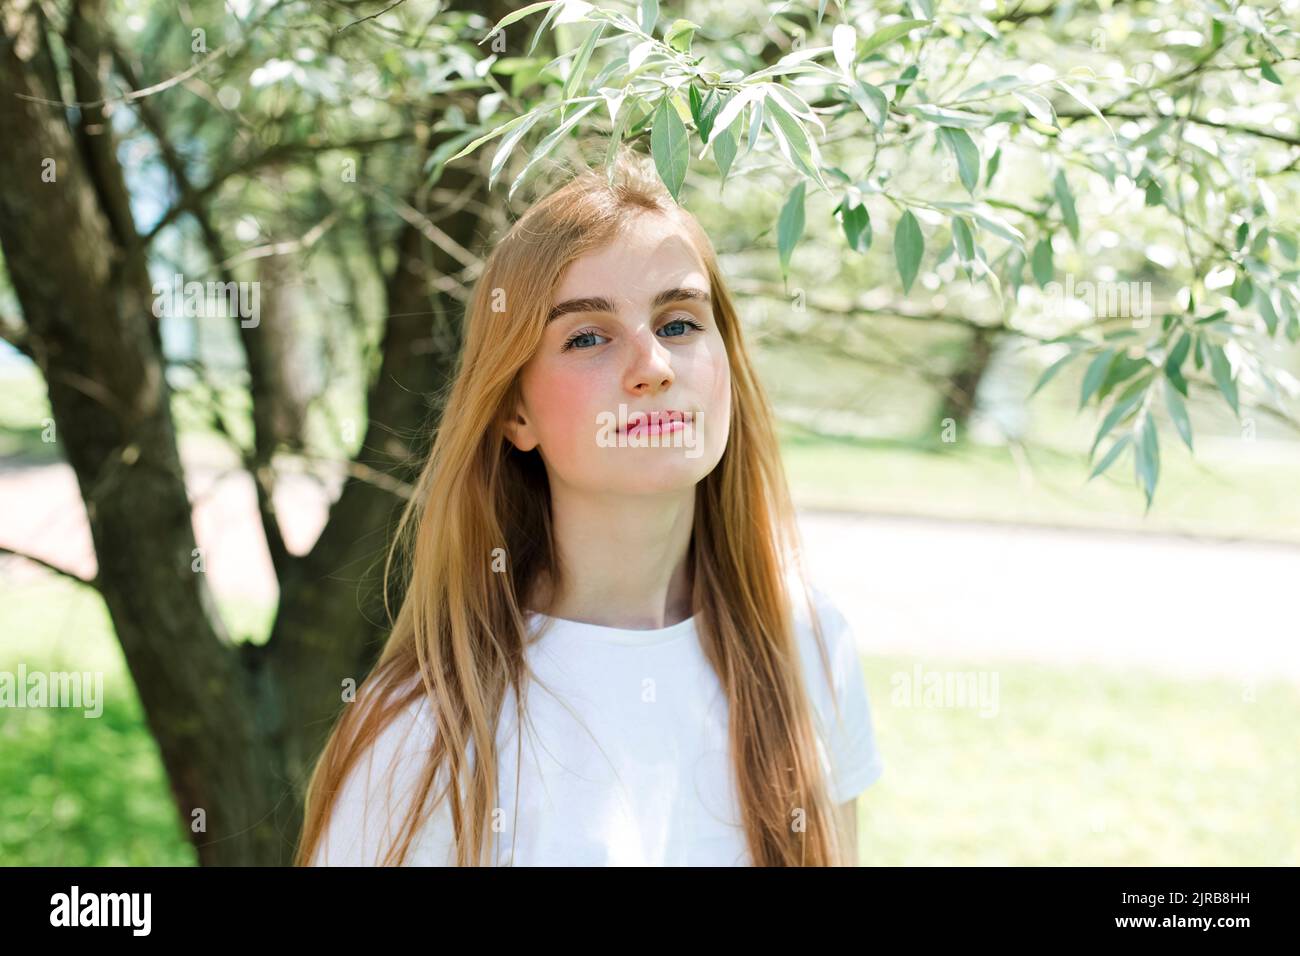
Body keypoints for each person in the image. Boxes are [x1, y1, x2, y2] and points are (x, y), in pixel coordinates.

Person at [296, 148, 883, 867]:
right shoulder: (423, 732)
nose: (653, 368)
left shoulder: (809, 645)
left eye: (678, 323)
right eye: (588, 337)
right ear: (515, 412)